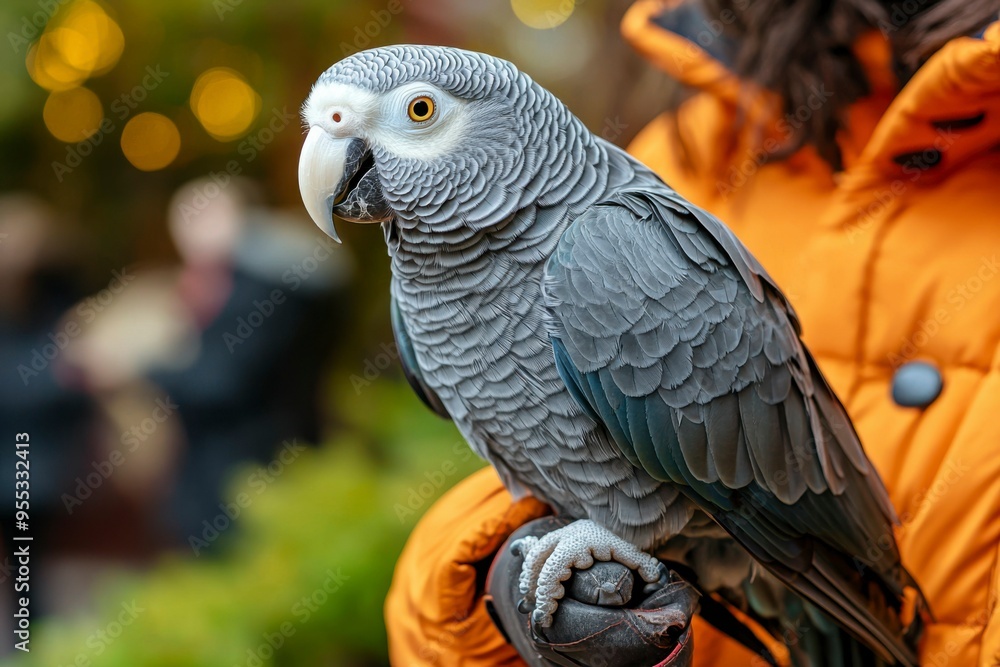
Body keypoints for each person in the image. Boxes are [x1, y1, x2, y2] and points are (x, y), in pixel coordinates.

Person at [383, 0, 1000, 665]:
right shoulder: (697, 139)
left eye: (419, 113)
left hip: (816, 557)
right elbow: (550, 469)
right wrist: (497, 583)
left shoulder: (616, 239)